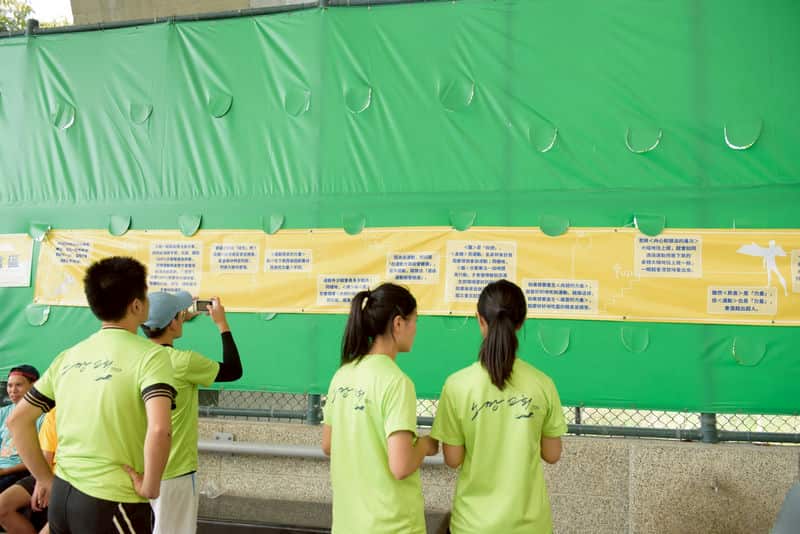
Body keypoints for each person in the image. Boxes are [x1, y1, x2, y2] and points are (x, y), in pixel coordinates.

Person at [7, 256, 176, 534]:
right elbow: (160, 429)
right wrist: (150, 485)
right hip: (112, 499)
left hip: (62, 497)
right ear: (136, 305)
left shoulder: (68, 356)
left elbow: (17, 421)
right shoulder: (152, 356)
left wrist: (45, 479)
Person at [431, 279, 567, 534]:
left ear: (479, 320)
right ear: (521, 322)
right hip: (530, 526)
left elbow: (453, 459)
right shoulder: (542, 384)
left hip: (472, 525)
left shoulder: (457, 385)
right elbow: (552, 454)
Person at [321, 283, 438, 534]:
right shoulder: (397, 382)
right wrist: (425, 445)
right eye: (415, 320)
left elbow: (328, 445)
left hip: (347, 525)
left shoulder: (342, 375)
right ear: (398, 323)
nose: (416, 328)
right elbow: (401, 466)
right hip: (392, 526)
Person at [140, 292, 243, 534]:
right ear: (172, 324)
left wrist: (174, 319)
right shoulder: (184, 362)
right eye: (179, 315)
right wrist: (222, 324)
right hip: (175, 473)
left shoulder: (136, 357)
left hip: (139, 469)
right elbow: (233, 370)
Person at [0, 408, 56, 534]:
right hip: (47, 472)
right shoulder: (53, 415)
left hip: (69, 478)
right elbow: (46, 456)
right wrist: (42, 482)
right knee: (2, 507)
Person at [0, 366, 41, 493]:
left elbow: (42, 459)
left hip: (18, 471)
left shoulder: (44, 416)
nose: (13, 390)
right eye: (10, 385)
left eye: (18, 385)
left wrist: (4, 471)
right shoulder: (3, 412)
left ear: (34, 385)